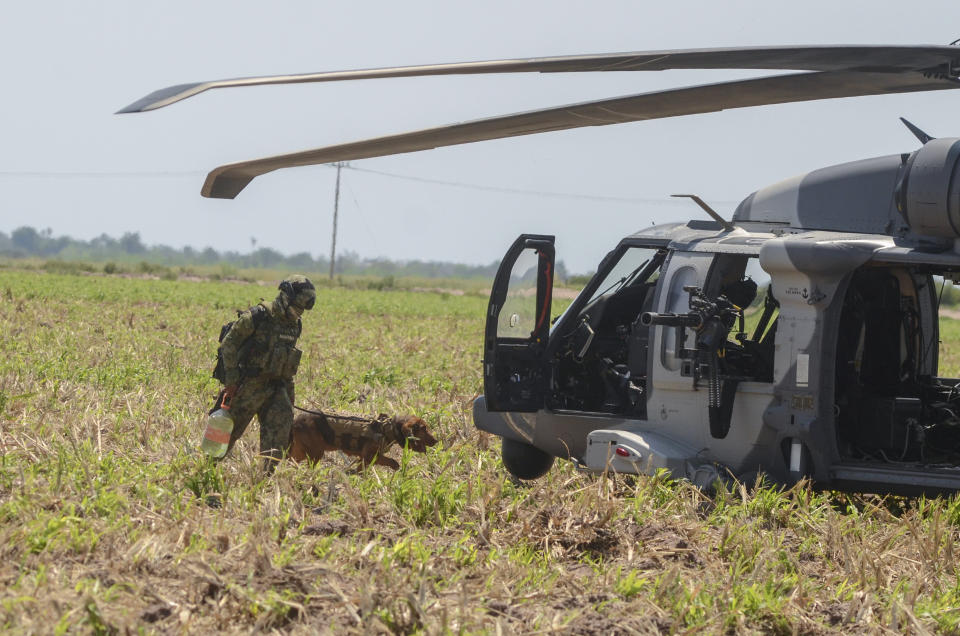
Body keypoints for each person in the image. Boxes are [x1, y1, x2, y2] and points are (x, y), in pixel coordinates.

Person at [216, 275, 316, 470]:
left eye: (302, 311)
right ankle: (205, 472)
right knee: (225, 432)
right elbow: (229, 344)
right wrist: (231, 380)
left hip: (277, 387)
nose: (298, 314)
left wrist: (289, 395)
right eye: (296, 308)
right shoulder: (257, 317)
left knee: (279, 435)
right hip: (248, 386)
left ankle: (267, 479)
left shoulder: (295, 325)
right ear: (285, 298)